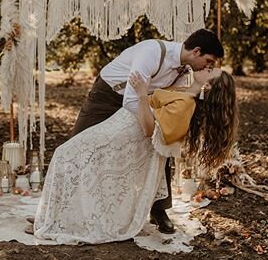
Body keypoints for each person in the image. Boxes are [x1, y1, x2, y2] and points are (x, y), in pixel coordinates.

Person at [31, 67, 238, 244]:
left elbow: (150, 131)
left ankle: (56, 220)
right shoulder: (184, 92)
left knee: (65, 154)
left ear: (208, 86)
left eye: (210, 71)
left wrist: (140, 93)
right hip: (119, 123)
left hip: (124, 134)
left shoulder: (185, 105)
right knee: (66, 154)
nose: (207, 68)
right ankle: (51, 215)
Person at [69, 29, 224, 233]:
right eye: (209, 61)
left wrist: (163, 120)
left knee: (161, 145)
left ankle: (159, 209)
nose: (209, 66)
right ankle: (59, 206)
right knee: (75, 148)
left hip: (141, 101)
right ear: (196, 51)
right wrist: (157, 118)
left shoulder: (184, 70)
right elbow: (130, 101)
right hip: (107, 96)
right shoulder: (152, 52)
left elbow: (167, 98)